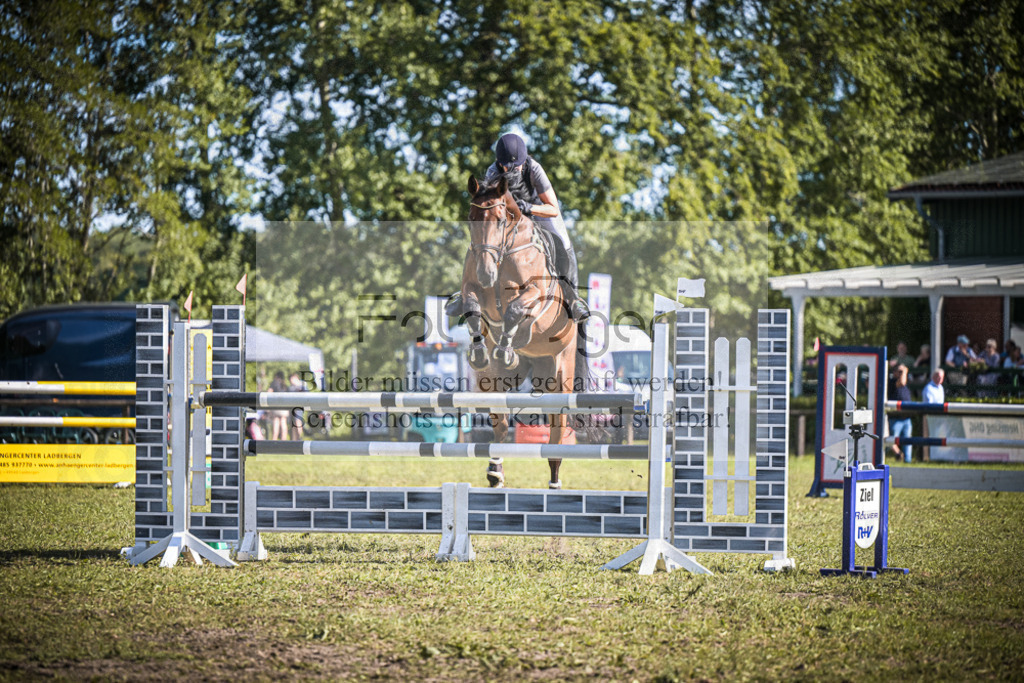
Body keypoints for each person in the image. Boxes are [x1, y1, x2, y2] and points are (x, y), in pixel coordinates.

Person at [449, 133, 590, 323]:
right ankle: (466, 290)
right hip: (511, 218)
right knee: (483, 240)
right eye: (507, 165)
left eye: (516, 165)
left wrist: (528, 207)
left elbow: (553, 209)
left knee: (563, 242)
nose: (512, 169)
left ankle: (573, 297)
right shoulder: (493, 172)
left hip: (539, 212)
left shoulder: (534, 169)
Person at [887, 365, 914, 463]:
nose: (902, 374)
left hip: (906, 418)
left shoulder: (906, 382)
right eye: (900, 371)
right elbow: (901, 382)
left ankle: (907, 461)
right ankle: (885, 458)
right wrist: (905, 371)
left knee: (907, 441)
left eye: (902, 372)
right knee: (890, 441)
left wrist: (904, 372)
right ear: (894, 372)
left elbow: (904, 382)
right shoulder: (891, 382)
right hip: (895, 418)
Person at [268, 371, 289, 440]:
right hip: (284, 406)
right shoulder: (285, 385)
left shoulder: (274, 382)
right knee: (283, 422)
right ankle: (284, 439)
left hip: (276, 405)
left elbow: (269, 392)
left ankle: (274, 439)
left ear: (276, 376)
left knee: (276, 422)